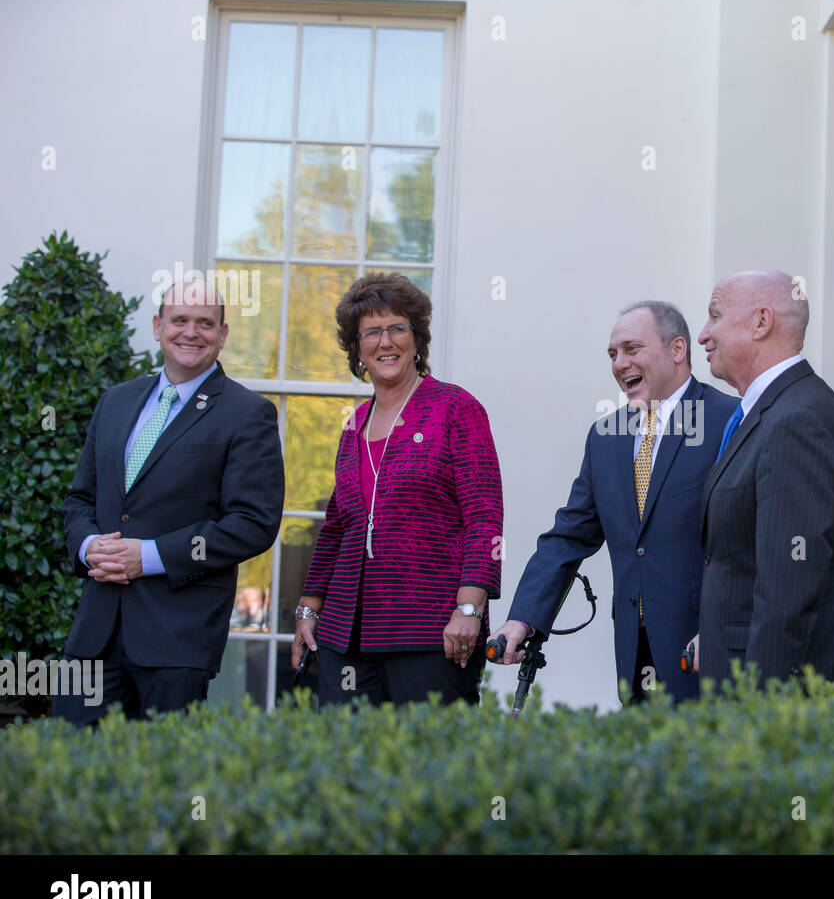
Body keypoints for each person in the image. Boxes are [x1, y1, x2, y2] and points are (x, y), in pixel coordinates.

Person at [56, 278, 285, 724]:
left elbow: (253, 522)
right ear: (159, 326)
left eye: (205, 323)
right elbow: (79, 500)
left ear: (222, 334)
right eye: (179, 320)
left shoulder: (247, 413)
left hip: (177, 638)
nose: (190, 332)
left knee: (158, 783)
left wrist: (148, 556)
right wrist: (89, 547)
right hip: (95, 634)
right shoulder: (115, 402)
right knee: (72, 772)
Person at [489, 301, 737, 703]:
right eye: (612, 354)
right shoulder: (605, 437)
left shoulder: (728, 419)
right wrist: (522, 619)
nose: (620, 363)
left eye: (632, 349)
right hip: (634, 655)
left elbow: (746, 539)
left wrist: (722, 625)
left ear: (677, 350)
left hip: (705, 651)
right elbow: (568, 536)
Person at [292, 273, 503, 706]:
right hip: (345, 634)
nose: (385, 342)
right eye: (371, 332)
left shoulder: (455, 408)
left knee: (428, 765)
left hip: (430, 631)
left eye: (397, 328)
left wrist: (470, 609)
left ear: (417, 338)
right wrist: (309, 610)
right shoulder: (353, 425)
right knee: (349, 766)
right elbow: (336, 527)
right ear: (357, 349)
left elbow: (484, 516)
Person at [689, 269, 834, 700]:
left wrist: (762, 712)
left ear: (761, 322)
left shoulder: (798, 420)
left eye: (715, 316)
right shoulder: (776, 411)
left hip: (791, 708)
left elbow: (788, 589)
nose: (703, 334)